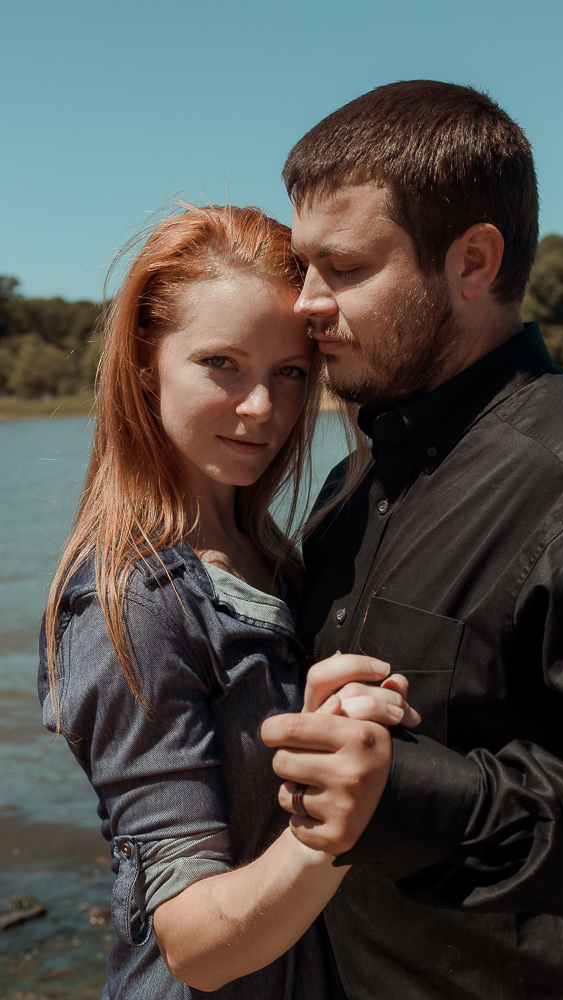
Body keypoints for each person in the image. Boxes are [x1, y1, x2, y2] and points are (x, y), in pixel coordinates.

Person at [257, 81, 563, 999]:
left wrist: (414, 802)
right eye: (302, 269)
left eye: (345, 268)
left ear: (474, 261)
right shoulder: (356, 478)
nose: (308, 306)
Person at [38, 204, 418, 998]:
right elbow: (192, 943)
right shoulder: (130, 601)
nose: (263, 409)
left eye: (288, 372)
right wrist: (331, 826)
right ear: (145, 362)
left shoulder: (283, 559)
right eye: (221, 364)